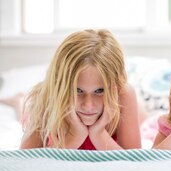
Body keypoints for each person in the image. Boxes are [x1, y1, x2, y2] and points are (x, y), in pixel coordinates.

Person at [2, 29, 141, 150]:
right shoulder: (46, 96)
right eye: (78, 91)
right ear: (59, 85)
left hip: (118, 106)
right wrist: (76, 135)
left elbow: (135, 161)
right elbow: (27, 160)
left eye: (99, 91)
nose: (88, 105)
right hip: (51, 109)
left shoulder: (123, 94)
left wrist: (98, 134)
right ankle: (18, 101)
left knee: (143, 118)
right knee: (25, 116)